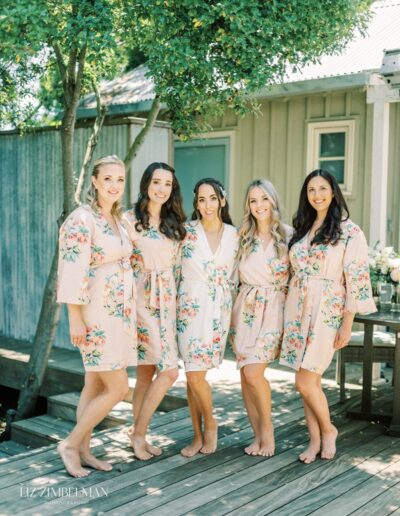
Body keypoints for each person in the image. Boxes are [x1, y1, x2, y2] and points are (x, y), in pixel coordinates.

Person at [279, 169, 376, 463]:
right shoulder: (303, 228)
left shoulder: (350, 231)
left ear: (333, 192)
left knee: (305, 380)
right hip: (298, 309)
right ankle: (314, 439)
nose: (317, 195)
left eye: (322, 189)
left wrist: (347, 324)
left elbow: (356, 280)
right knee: (308, 380)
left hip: (327, 310)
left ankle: (329, 430)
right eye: (311, 190)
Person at [57, 155, 137, 478]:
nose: (114, 186)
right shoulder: (82, 219)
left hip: (120, 314)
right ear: (95, 181)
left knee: (93, 383)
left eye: (120, 180)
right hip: (96, 314)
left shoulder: (119, 219)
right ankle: (70, 444)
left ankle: (85, 450)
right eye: (108, 179)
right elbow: (72, 271)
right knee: (118, 387)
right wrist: (75, 318)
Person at [124, 162, 186, 460]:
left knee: (147, 371)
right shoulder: (128, 220)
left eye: (168, 184)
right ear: (146, 183)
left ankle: (138, 432)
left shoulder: (173, 223)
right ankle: (137, 434)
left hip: (168, 304)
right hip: (140, 302)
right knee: (169, 371)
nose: (162, 189)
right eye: (157, 182)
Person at [177, 178, 238, 457]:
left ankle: (207, 427)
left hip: (217, 309)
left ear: (222, 201)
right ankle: (202, 431)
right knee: (192, 374)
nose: (207, 205)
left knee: (196, 375)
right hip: (189, 306)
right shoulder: (185, 231)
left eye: (212, 198)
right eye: (201, 200)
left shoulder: (234, 235)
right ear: (196, 204)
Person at [230, 179, 291, 457]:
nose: (259, 206)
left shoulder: (289, 235)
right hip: (245, 310)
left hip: (275, 309)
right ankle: (256, 435)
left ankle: (268, 432)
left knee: (255, 373)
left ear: (273, 201)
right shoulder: (242, 236)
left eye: (264, 199)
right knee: (245, 375)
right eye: (253, 200)